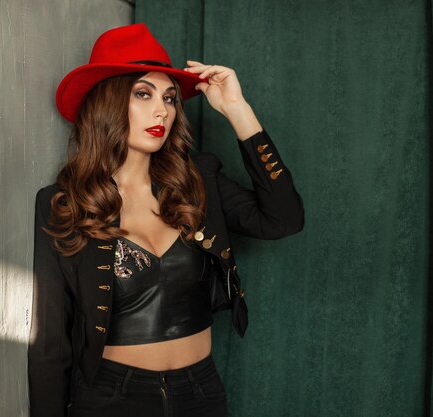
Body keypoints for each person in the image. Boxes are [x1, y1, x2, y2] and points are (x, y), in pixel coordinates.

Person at [28, 23, 304, 417]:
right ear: (107, 102)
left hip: (202, 392)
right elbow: (51, 345)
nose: (163, 110)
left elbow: (284, 219)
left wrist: (238, 111)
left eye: (171, 98)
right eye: (144, 94)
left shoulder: (196, 181)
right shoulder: (64, 205)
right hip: (111, 398)